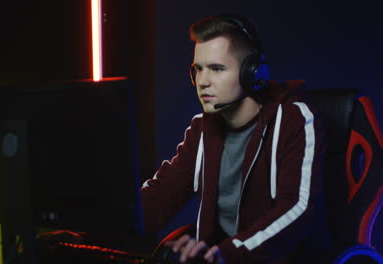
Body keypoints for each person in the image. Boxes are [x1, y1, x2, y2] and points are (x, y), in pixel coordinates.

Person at [140, 14, 330, 264]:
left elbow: (296, 209)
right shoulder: (202, 129)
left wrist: (227, 254)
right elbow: (164, 193)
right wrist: (110, 218)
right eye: (198, 69)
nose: (203, 81)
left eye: (217, 69)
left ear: (251, 73)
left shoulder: (294, 118)